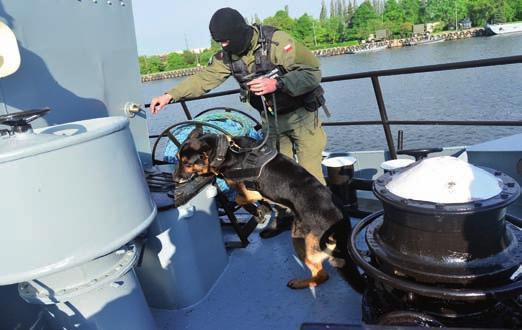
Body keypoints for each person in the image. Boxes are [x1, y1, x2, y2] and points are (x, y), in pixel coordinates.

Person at [150, 7, 328, 238]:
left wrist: (279, 84)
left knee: (309, 174)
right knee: (277, 176)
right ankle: (286, 217)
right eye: (219, 42)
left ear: (239, 33)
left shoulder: (277, 42)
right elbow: (205, 79)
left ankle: (323, 225)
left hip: (301, 115)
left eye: (225, 40)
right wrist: (170, 95)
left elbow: (311, 72)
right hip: (271, 120)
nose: (223, 46)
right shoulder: (228, 56)